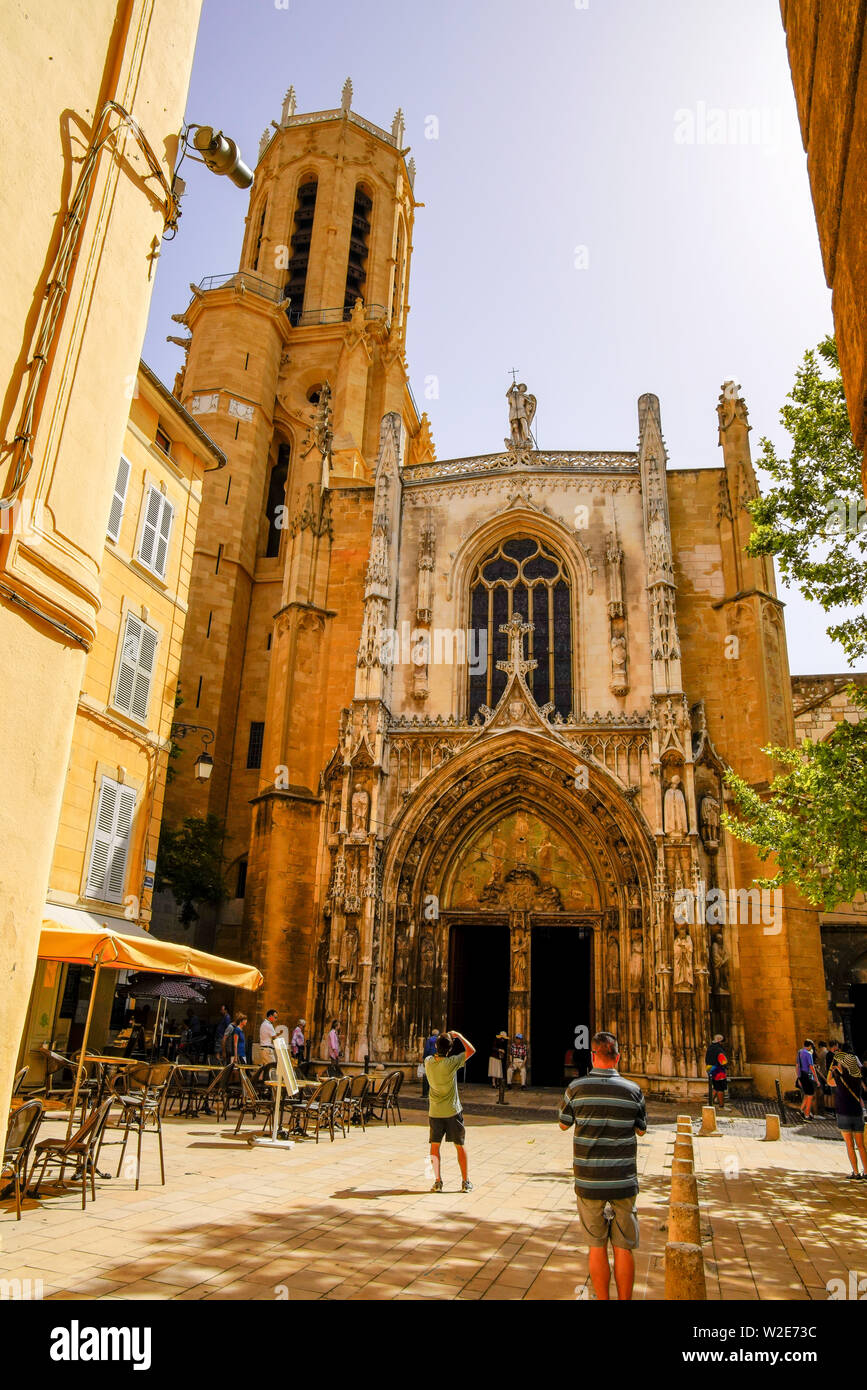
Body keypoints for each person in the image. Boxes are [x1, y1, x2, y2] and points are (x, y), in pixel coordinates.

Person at [558, 1030, 647, 1301]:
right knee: (624, 1248)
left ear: (593, 1056)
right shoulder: (634, 1090)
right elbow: (641, 1131)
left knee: (596, 1247)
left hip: (589, 1179)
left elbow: (563, 1123)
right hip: (623, 1179)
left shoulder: (576, 1088)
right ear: (618, 1057)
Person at [425, 1029, 475, 1192]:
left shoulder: (428, 1062)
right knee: (460, 1145)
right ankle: (465, 1181)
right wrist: (459, 1036)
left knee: (434, 1146)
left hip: (435, 1111)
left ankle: (438, 1181)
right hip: (453, 1111)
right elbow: (471, 1050)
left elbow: (433, 1053)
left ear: (436, 1047)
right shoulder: (452, 1062)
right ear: (450, 1049)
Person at [826, 1041, 867, 1178]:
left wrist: (833, 1069)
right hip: (857, 1112)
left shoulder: (839, 1079)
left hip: (843, 1112)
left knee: (850, 1145)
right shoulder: (856, 1080)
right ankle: (866, 1172)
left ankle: (855, 1172)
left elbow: (828, 1081)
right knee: (861, 1145)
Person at [797, 1038, 819, 1120]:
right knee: (810, 1096)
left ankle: (801, 1110)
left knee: (806, 1094)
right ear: (809, 1046)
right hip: (808, 1075)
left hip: (802, 1075)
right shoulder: (808, 1054)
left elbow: (797, 1065)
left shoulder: (799, 1052)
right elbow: (812, 1067)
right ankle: (807, 1115)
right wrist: (817, 1080)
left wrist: (799, 1077)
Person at [705, 1034, 728, 1108]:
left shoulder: (710, 1048)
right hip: (719, 1070)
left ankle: (709, 1103)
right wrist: (725, 1065)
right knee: (720, 1088)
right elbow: (723, 1061)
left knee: (715, 1087)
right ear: (720, 1041)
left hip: (710, 1069)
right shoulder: (719, 1049)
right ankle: (721, 1105)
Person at [488, 1031, 508, 1102]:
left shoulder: (502, 1042)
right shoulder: (496, 1040)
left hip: (498, 1058)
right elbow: (493, 1047)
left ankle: (497, 1083)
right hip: (493, 1057)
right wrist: (500, 1050)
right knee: (493, 1071)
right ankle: (494, 1083)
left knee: (498, 1071)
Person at [421, 1028, 439, 1099]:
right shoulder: (439, 1040)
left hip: (430, 1058)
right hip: (437, 1058)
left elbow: (427, 1049)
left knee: (427, 1075)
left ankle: (425, 1093)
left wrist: (424, 1057)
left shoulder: (430, 1039)